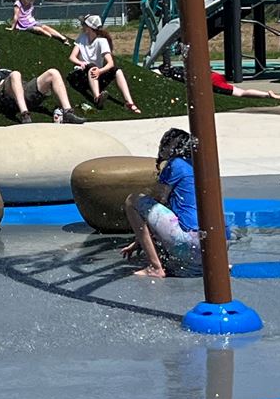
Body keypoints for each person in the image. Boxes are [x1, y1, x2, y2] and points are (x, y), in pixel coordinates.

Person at [128, 126, 203, 278]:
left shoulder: (175, 164)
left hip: (190, 242)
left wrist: (139, 239)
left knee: (133, 200)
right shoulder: (200, 165)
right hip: (216, 247)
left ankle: (155, 267)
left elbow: (157, 202)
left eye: (167, 143)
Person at [0, 41, 75, 123]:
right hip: (4, 96)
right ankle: (24, 114)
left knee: (53, 72)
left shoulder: (6, 70)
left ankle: (68, 112)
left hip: (23, 92)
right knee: (15, 74)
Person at [68, 14, 140, 114]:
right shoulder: (82, 38)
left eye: (83, 24)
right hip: (81, 76)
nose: (82, 26)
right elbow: (72, 57)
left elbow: (110, 63)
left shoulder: (102, 41)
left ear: (89, 28)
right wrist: (81, 63)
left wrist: (100, 71)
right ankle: (97, 98)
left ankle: (129, 103)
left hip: (95, 75)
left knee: (117, 71)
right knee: (92, 67)